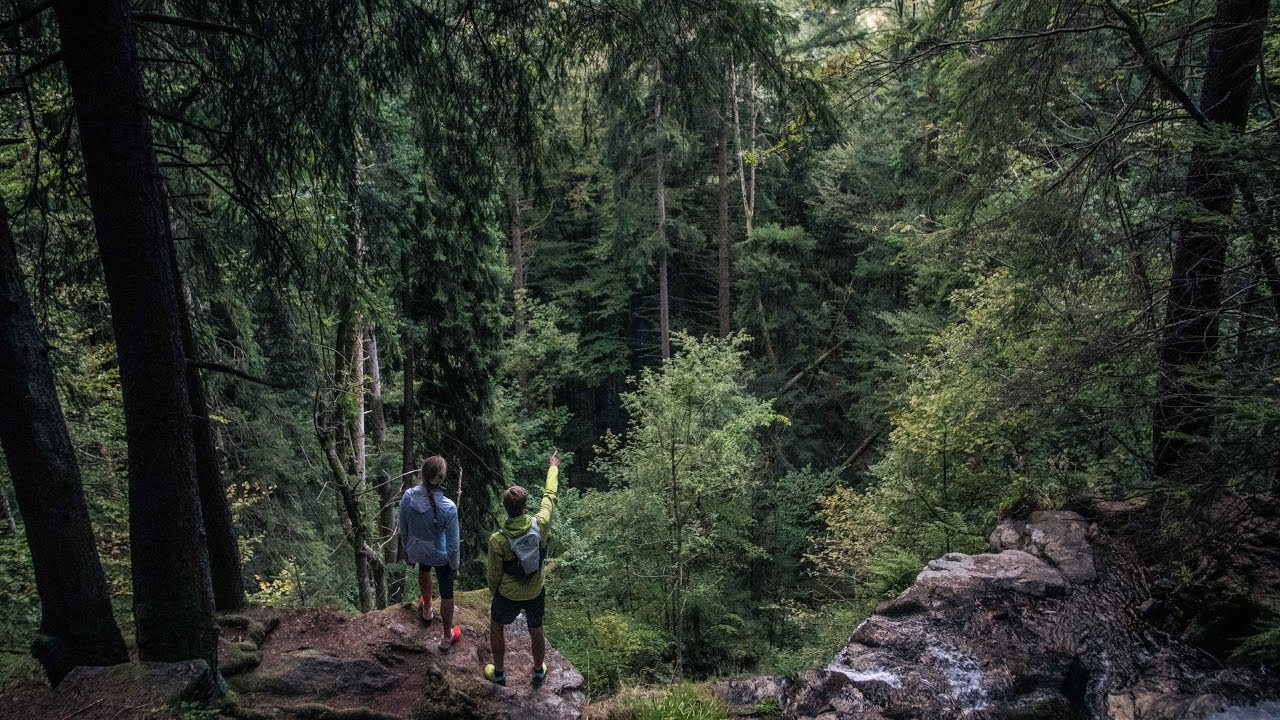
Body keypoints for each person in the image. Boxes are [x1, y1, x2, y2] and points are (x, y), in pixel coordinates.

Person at [484, 451, 561, 687]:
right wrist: (553, 467)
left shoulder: (498, 539)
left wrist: (494, 591)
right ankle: (538, 671)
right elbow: (550, 496)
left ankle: (499, 673)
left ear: (505, 508)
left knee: (497, 625)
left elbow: (494, 573)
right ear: (526, 506)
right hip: (535, 590)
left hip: (507, 594)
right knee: (536, 627)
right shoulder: (541, 524)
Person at [399, 455, 462, 650]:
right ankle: (446, 637)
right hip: (440, 553)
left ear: (423, 474)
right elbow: (453, 545)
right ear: (441, 479)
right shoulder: (448, 507)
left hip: (418, 549)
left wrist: (409, 552)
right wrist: (454, 566)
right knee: (447, 592)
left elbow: (403, 528)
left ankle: (427, 608)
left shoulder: (407, 497)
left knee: (424, 571)